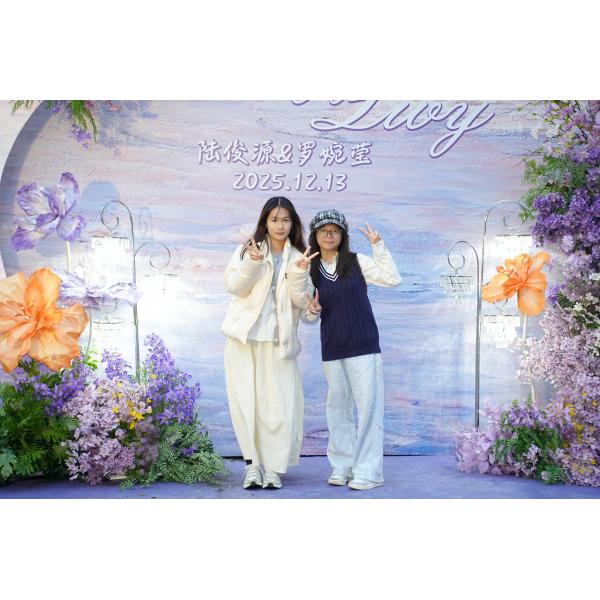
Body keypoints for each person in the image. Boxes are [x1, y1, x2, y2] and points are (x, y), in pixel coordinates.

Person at [289, 209, 401, 490]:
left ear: (342, 236)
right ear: (315, 235)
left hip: (363, 345)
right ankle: (343, 465)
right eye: (323, 230)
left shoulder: (356, 261)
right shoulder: (309, 268)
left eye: (335, 230)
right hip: (333, 347)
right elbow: (307, 316)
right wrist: (312, 310)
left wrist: (378, 245)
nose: (329, 235)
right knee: (337, 409)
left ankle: (369, 471)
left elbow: (392, 278)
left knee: (368, 409)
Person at [221, 196, 318, 490]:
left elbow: (305, 309)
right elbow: (234, 287)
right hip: (243, 340)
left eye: (285, 219)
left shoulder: (300, 257)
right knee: (245, 404)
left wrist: (312, 307)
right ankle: (252, 467)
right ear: (265, 221)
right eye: (274, 219)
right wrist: (251, 264)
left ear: (293, 223)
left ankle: (274, 468)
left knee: (279, 408)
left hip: (279, 345)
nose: (280, 225)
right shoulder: (248, 250)